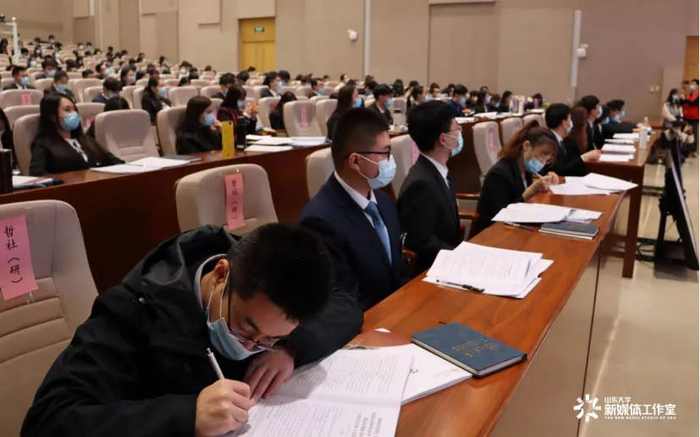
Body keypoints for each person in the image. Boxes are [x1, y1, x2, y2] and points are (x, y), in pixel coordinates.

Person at [21, 223, 362, 436]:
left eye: (269, 339)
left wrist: (289, 349)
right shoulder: (133, 311)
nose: (250, 347)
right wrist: (187, 415)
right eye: (245, 329)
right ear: (221, 275)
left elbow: (346, 304)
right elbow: (47, 421)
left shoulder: (269, 271)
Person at [300, 108, 409, 310]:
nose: (391, 161)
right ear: (356, 161)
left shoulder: (384, 202)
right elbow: (345, 301)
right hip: (367, 320)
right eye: (385, 153)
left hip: (399, 308)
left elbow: (397, 270)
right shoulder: (320, 221)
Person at [397, 101, 464, 273]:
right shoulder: (421, 184)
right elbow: (421, 241)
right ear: (443, 139)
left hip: (450, 260)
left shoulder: (439, 170)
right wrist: (459, 257)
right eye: (456, 128)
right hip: (433, 270)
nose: (460, 132)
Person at [474, 122, 559, 233]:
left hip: (515, 230)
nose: (542, 164)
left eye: (547, 160)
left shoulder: (526, 169)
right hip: (492, 233)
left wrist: (548, 180)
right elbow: (502, 215)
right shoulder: (499, 174)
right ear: (526, 146)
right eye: (542, 156)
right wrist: (530, 192)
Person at [29, 94, 123, 176]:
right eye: (67, 110)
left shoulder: (86, 139)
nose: (74, 113)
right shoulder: (43, 144)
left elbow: (113, 161)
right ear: (52, 116)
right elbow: (37, 174)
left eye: (74, 109)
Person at [542, 104, 600, 177]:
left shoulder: (563, 140)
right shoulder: (549, 142)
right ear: (564, 123)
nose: (571, 122)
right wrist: (583, 158)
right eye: (570, 119)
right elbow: (559, 170)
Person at [682, 78, 699, 154]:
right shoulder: (689, 95)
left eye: (694, 84)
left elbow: (694, 104)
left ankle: (693, 150)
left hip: (694, 118)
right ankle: (686, 149)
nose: (691, 85)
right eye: (691, 84)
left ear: (697, 86)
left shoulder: (698, 95)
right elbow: (685, 103)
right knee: (685, 133)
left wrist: (685, 99)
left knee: (693, 134)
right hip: (686, 117)